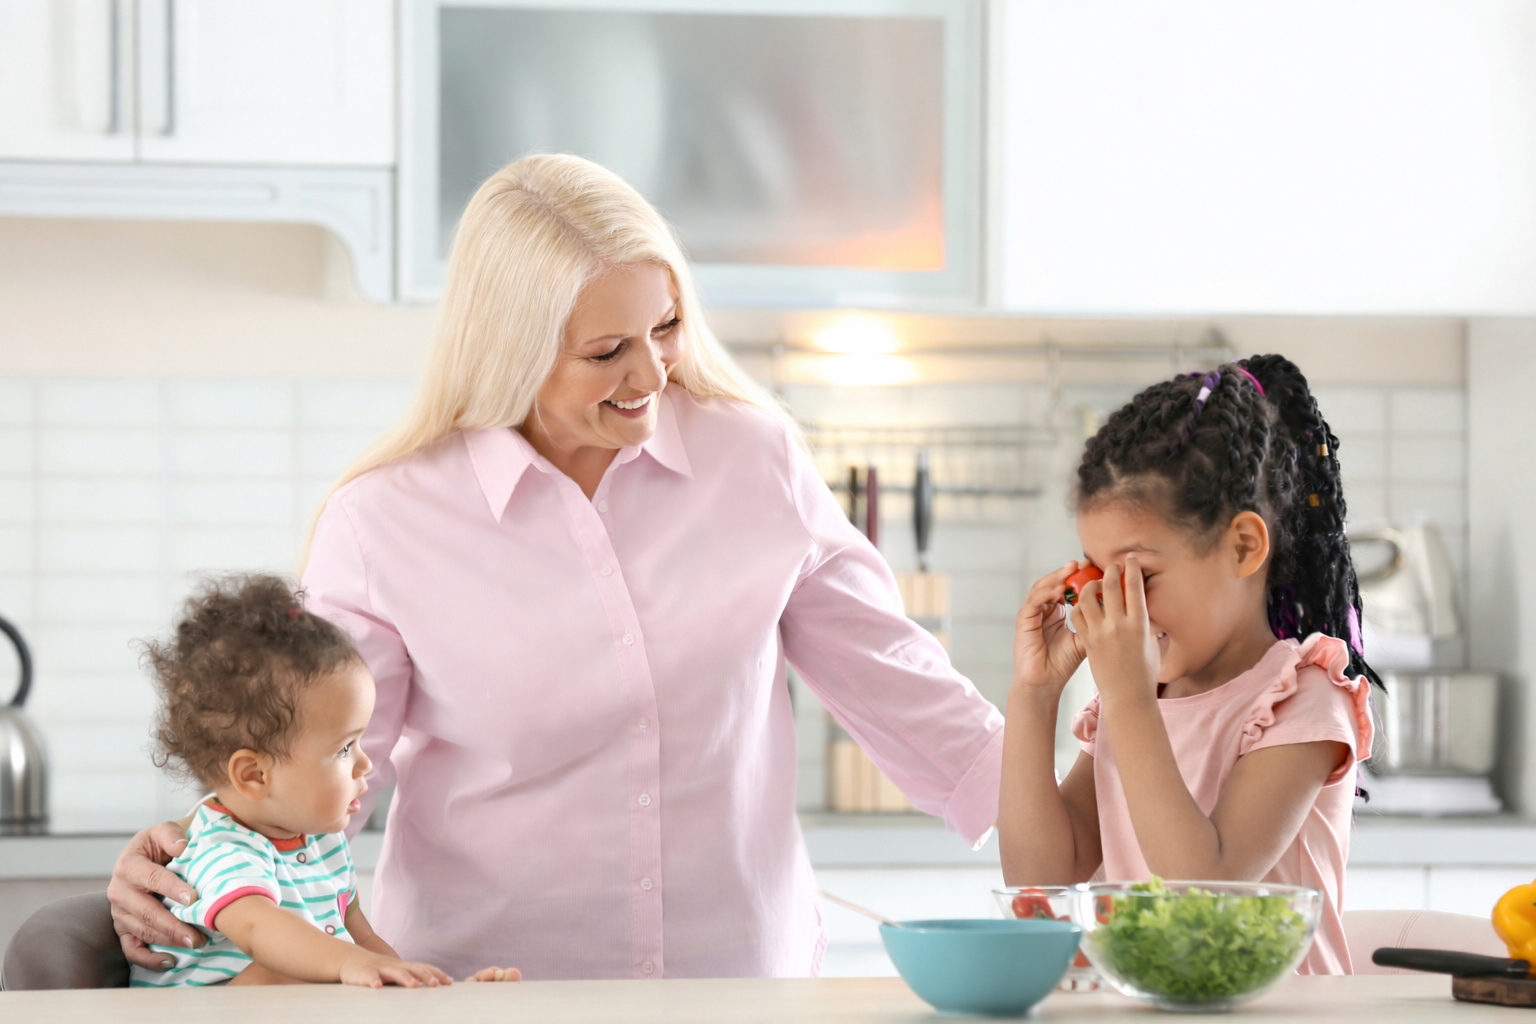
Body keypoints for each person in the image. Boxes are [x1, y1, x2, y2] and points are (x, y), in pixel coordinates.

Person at [108, 154, 1005, 981]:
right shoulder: (385, 521)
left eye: (666, 326)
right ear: (513, 349)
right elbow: (306, 766)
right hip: (486, 990)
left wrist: (1069, 794)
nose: (651, 373)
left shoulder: (753, 460)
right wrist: (186, 859)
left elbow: (904, 687)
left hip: (733, 985)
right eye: (606, 352)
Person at [997, 354, 1380, 974]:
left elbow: (1205, 884)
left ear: (1243, 547)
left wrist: (1128, 698)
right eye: (1100, 574)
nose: (1114, 604)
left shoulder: (1304, 701)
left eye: (1140, 576)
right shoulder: (1136, 699)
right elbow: (1041, 880)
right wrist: (1034, 694)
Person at [127, 573, 518, 987]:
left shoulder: (323, 842)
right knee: (292, 966)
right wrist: (350, 964)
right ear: (255, 775)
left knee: (335, 964)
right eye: (344, 748)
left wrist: (419, 988)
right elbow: (261, 930)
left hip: (280, 1009)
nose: (365, 764)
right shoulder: (220, 850)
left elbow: (362, 942)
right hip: (199, 1010)